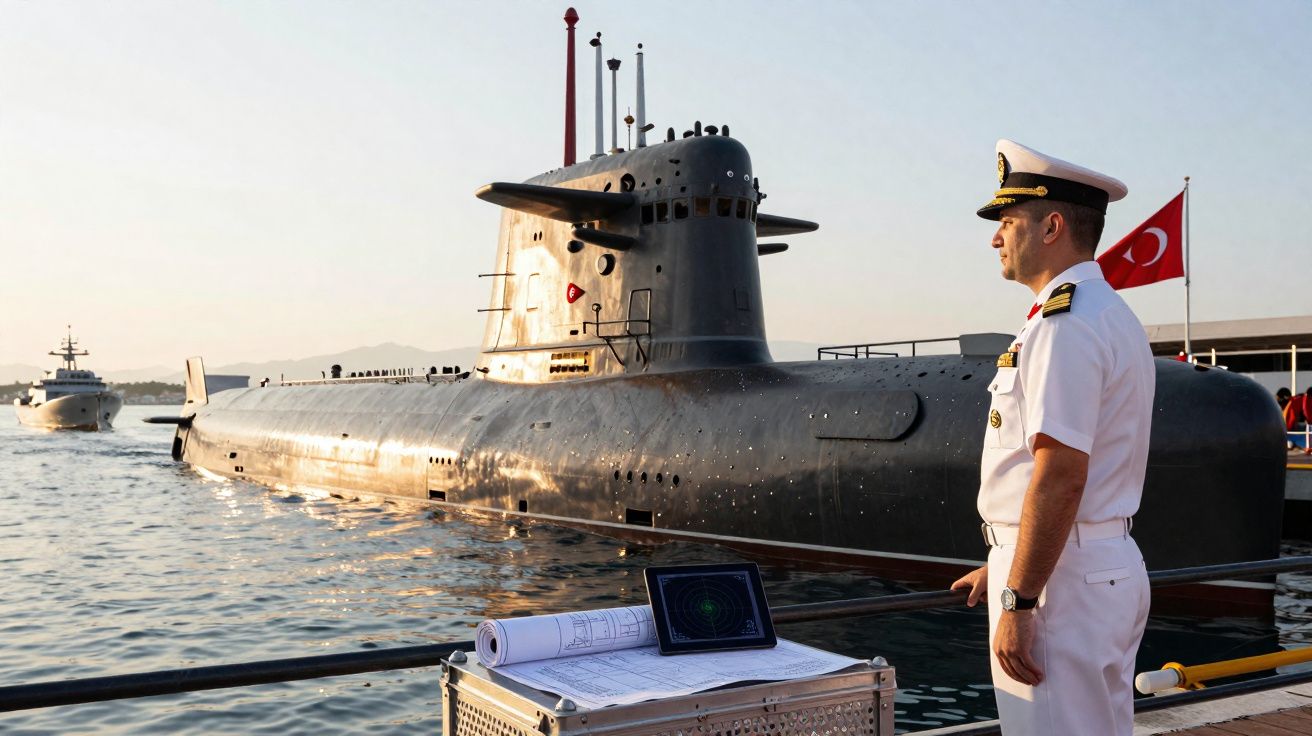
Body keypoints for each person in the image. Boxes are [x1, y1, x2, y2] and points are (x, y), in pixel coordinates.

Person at [950, 139, 1155, 735]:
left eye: (1007, 223)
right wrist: (1005, 558)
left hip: (1058, 583)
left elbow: (1061, 474)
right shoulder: (1107, 313)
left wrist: (1020, 598)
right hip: (1094, 565)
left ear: (1052, 226)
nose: (995, 238)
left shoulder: (1064, 326)